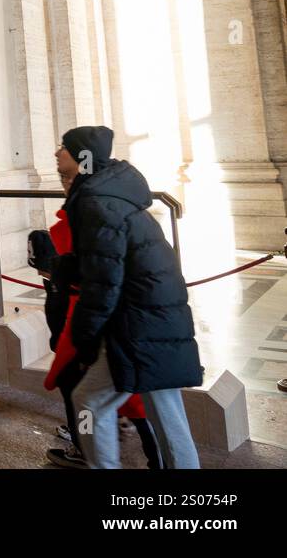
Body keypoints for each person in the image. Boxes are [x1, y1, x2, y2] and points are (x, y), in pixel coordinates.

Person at [60, 125, 203, 469]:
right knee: (167, 411)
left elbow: (104, 283)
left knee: (87, 403)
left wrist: (84, 338)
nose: (56, 154)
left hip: (138, 321)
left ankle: (99, 464)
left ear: (82, 158)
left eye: (63, 148)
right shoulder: (110, 192)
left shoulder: (95, 201)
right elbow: (110, 258)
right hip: (159, 314)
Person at [35, 165, 161, 469]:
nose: (64, 183)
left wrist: (81, 340)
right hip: (118, 328)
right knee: (128, 404)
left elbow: (95, 289)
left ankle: (87, 447)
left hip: (107, 330)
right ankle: (142, 456)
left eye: (67, 176)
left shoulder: (89, 225)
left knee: (88, 400)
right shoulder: (125, 217)